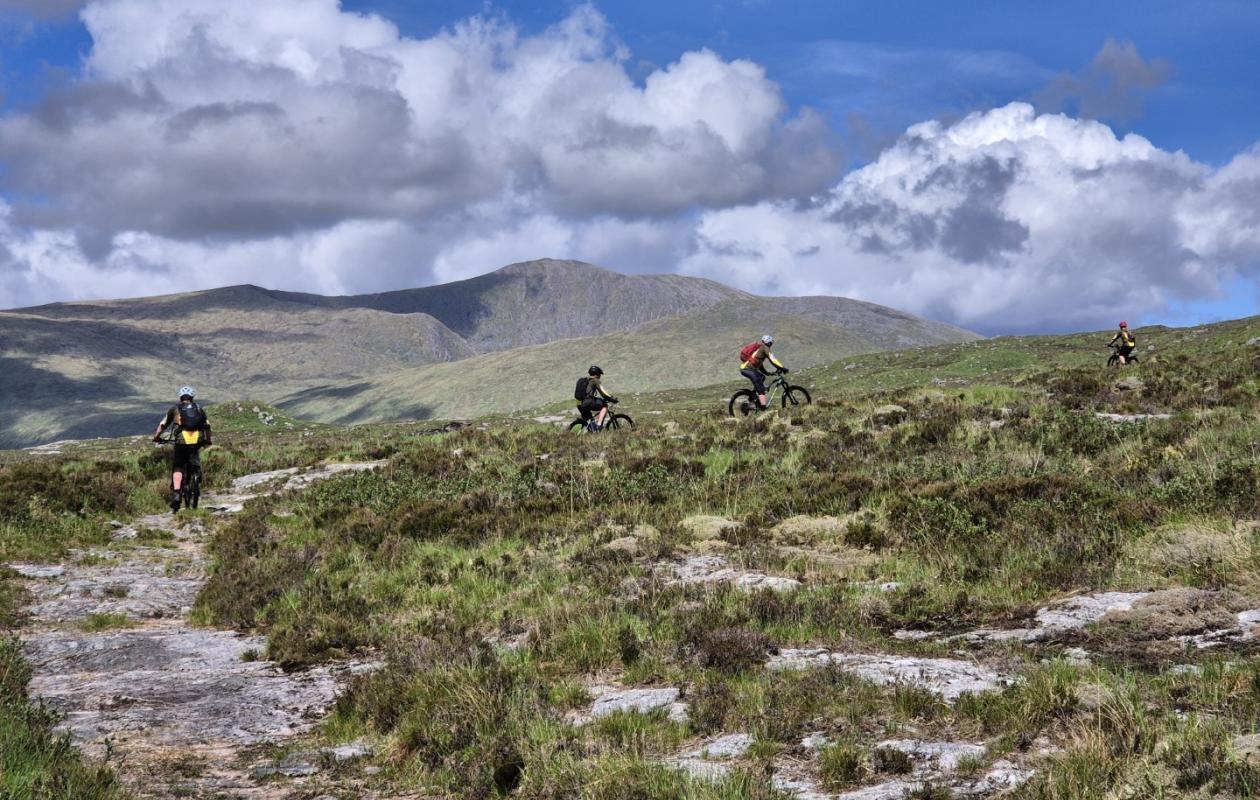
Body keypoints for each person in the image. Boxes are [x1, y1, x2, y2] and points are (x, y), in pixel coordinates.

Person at [153, 386, 211, 512]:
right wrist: (208, 440)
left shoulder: (175, 409)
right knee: (194, 455)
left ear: (180, 398)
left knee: (178, 466)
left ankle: (177, 493)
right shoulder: (199, 409)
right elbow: (207, 426)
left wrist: (157, 437)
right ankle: (196, 474)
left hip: (181, 441)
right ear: (192, 398)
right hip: (197, 441)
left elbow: (163, 425)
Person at [740, 334, 788, 409]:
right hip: (748, 369)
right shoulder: (765, 348)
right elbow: (773, 359)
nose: (771, 345)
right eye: (771, 343)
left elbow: (759, 364)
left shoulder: (760, 349)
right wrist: (782, 367)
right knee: (761, 388)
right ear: (769, 343)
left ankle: (753, 396)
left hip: (746, 369)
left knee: (762, 377)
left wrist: (767, 373)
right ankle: (763, 407)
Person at [577, 366, 617, 431]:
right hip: (587, 402)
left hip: (579, 404)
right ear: (597, 374)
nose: (600, 376)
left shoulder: (586, 380)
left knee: (591, 422)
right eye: (600, 374)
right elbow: (604, 393)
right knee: (604, 406)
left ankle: (593, 432)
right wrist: (612, 399)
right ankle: (599, 425)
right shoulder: (595, 380)